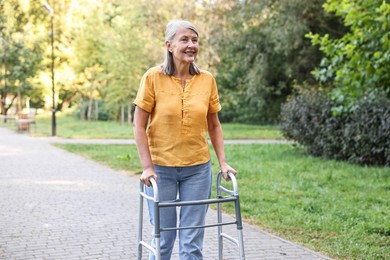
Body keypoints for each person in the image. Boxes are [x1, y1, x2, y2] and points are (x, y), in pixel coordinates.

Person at [133, 19, 237, 260]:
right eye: (185, 40)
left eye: (195, 40)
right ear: (169, 45)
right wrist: (147, 166)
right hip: (161, 169)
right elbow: (139, 126)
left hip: (197, 169)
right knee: (164, 237)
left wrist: (223, 163)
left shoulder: (207, 79)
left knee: (192, 240)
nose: (191, 45)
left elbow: (214, 124)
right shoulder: (152, 77)